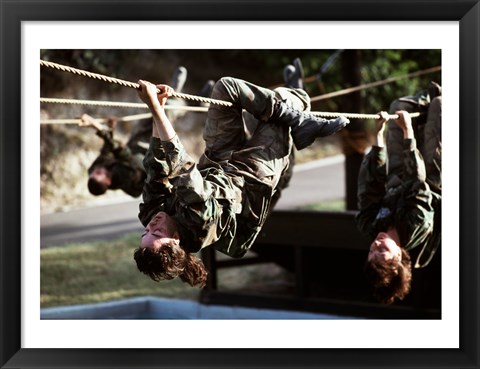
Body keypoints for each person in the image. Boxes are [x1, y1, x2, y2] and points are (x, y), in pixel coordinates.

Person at [133, 77, 350, 287]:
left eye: (145, 233)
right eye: (157, 233)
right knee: (291, 98)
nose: (151, 226)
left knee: (226, 88)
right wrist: (155, 108)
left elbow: (157, 165)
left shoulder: (151, 213)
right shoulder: (198, 223)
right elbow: (181, 166)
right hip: (254, 174)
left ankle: (299, 121)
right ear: (176, 239)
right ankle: (298, 114)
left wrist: (158, 107)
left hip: (219, 160)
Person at [356, 89, 441, 304]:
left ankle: (428, 96)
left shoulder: (370, 225)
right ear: (398, 257)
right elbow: (417, 181)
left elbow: (371, 188)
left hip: (398, 178)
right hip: (432, 178)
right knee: (441, 105)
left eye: (371, 250)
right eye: (382, 250)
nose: (376, 244)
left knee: (397, 107)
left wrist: (378, 136)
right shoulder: (416, 225)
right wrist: (408, 133)